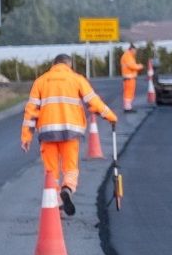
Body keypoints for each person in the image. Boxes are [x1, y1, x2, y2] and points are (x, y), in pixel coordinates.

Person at [21, 54, 117, 216]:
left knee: (51, 171)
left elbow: (31, 112)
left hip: (47, 133)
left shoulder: (40, 81)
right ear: (69, 65)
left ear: (53, 64)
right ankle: (68, 188)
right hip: (71, 132)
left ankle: (56, 204)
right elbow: (94, 102)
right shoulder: (77, 79)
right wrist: (111, 116)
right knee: (70, 167)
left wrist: (26, 137)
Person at [119, 43, 142, 113]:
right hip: (129, 78)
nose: (135, 52)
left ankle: (128, 107)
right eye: (135, 50)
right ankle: (127, 107)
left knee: (130, 93)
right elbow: (132, 66)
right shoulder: (127, 56)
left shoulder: (129, 56)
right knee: (128, 93)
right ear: (132, 49)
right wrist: (139, 66)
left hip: (130, 78)